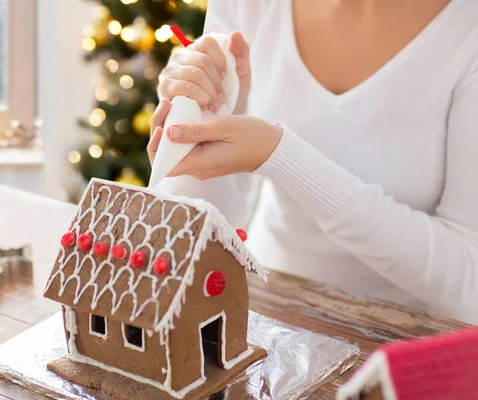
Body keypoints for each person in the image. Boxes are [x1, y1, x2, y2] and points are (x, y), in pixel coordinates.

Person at [147, 0, 478, 325]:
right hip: (264, 316)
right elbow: (189, 242)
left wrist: (282, 156)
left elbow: (468, 280)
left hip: (407, 343)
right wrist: (196, 124)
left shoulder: (466, 30)